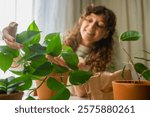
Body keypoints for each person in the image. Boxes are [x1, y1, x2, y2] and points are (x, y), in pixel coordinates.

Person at [2, 5, 132, 99]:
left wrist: (78, 70)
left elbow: (108, 89)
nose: (92, 27)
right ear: (82, 20)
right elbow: (27, 68)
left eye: (100, 25)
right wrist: (12, 46)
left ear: (106, 33)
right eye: (90, 20)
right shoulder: (60, 45)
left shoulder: (109, 60)